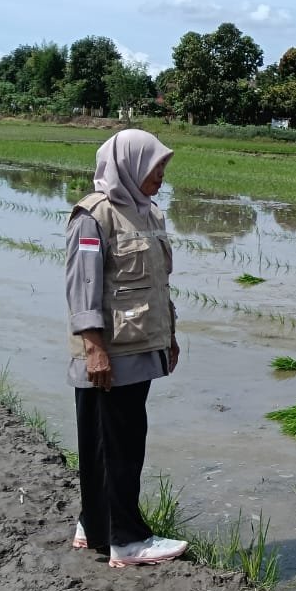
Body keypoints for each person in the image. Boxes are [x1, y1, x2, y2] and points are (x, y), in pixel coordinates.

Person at [66, 129, 188, 567]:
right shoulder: (94, 215)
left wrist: (169, 336)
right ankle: (127, 540)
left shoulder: (148, 214)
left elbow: (158, 284)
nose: (160, 175)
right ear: (129, 165)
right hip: (110, 354)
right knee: (115, 446)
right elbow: (82, 286)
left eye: (163, 167)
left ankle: (94, 524)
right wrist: (94, 349)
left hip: (139, 347)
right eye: (155, 167)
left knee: (114, 441)